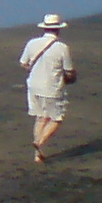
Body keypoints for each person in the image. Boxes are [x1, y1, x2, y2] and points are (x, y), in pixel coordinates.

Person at [20, 14, 76, 164]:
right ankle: (39, 142)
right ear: (58, 30)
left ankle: (37, 155)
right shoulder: (62, 48)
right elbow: (69, 70)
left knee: (40, 118)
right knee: (57, 118)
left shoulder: (32, 43)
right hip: (52, 87)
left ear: (44, 28)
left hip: (34, 85)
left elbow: (24, 63)